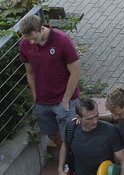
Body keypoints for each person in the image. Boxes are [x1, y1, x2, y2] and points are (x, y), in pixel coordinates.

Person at [18, 14, 80, 151]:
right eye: (28, 39)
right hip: (42, 101)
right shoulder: (24, 44)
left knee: (71, 135)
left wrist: (66, 99)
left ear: (41, 28)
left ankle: (74, 162)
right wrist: (35, 95)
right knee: (52, 134)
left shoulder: (62, 40)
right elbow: (30, 72)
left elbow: (75, 72)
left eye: (34, 38)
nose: (32, 43)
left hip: (64, 99)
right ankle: (67, 157)